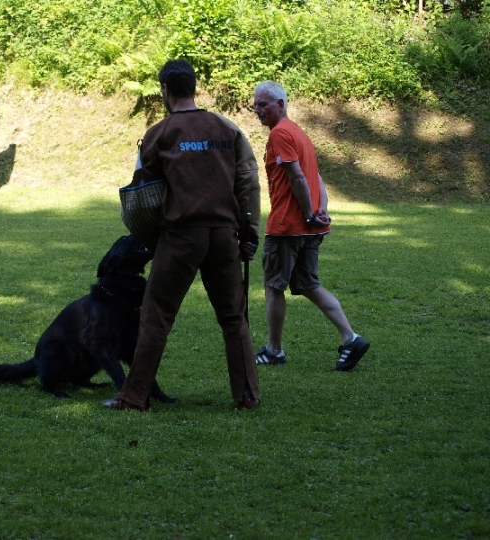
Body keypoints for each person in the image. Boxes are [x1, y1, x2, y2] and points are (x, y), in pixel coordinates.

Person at [103, 58, 262, 412]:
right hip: (223, 235)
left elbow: (144, 194)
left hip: (180, 237)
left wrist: (148, 236)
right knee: (234, 317)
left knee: (156, 314)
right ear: (194, 86)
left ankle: (134, 396)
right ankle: (247, 395)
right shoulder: (227, 128)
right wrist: (249, 232)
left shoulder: (158, 134)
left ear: (165, 90)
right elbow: (247, 182)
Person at [250, 80, 369, 371]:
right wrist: (321, 210)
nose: (257, 109)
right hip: (310, 226)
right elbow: (316, 178)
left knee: (273, 286)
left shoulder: (280, 134)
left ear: (280, 104)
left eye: (263, 104)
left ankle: (274, 350)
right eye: (255, 104)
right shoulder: (299, 133)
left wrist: (307, 213)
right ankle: (351, 338)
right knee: (308, 284)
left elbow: (299, 177)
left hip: (289, 227)